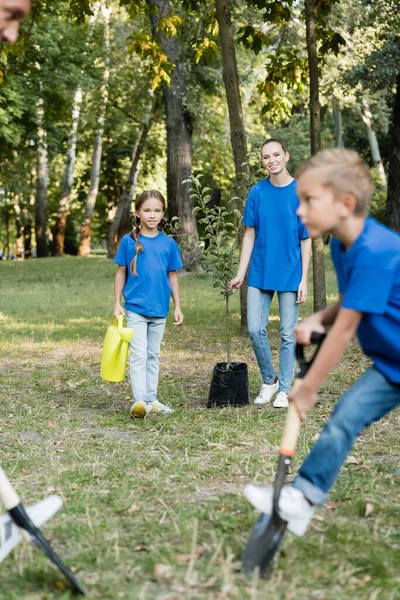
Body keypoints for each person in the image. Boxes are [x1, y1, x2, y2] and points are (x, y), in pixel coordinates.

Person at [244, 148, 400, 536]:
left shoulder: (378, 250)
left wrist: (309, 387)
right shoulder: (340, 245)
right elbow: (351, 302)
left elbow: (346, 330)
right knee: (347, 414)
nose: (299, 211)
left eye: (309, 201)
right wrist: (320, 316)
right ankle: (304, 496)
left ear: (345, 204)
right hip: (392, 364)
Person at [230, 138, 311, 408]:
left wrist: (304, 279)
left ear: (286, 156)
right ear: (262, 161)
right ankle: (269, 381)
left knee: (288, 334)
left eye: (276, 154)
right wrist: (241, 272)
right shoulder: (257, 192)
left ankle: (285, 389)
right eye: (266, 157)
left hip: (290, 272)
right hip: (260, 271)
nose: (271, 160)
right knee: (255, 329)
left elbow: (306, 238)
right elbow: (249, 235)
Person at [113, 190, 184, 418]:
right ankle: (139, 401)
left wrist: (178, 306)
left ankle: (152, 399)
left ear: (163, 213)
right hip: (135, 308)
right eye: (147, 210)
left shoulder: (168, 244)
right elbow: (120, 273)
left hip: (160, 309)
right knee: (139, 355)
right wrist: (117, 303)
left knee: (154, 354)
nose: (152, 215)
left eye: (157, 210)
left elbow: (172, 276)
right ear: (138, 213)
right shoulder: (128, 241)